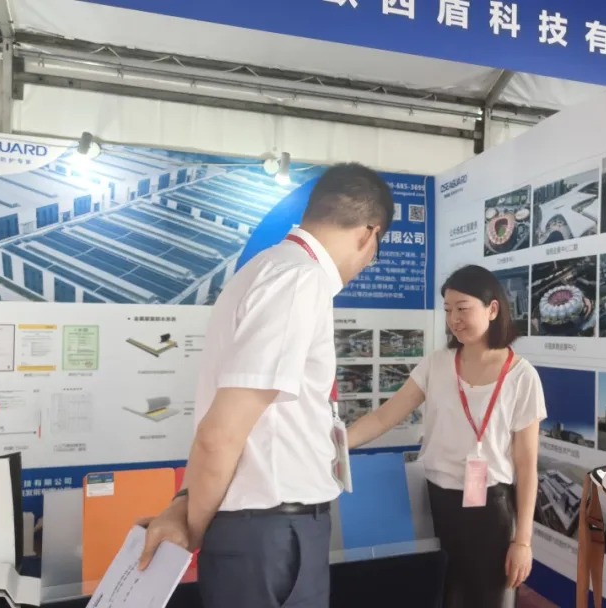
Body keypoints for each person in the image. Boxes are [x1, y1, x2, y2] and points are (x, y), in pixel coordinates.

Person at [135, 162, 394, 608]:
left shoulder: (263, 270)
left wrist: (187, 501)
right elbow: (221, 433)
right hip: (272, 536)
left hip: (260, 532)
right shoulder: (299, 280)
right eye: (376, 250)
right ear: (370, 234)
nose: (368, 262)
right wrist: (193, 529)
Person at [348, 264, 546, 608]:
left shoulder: (521, 376)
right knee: (440, 596)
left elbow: (527, 466)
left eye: (463, 308)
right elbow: (383, 417)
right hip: (435, 502)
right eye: (448, 310)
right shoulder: (437, 364)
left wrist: (523, 541)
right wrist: (334, 444)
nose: (454, 319)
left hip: (490, 510)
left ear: (493, 309)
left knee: (486, 599)